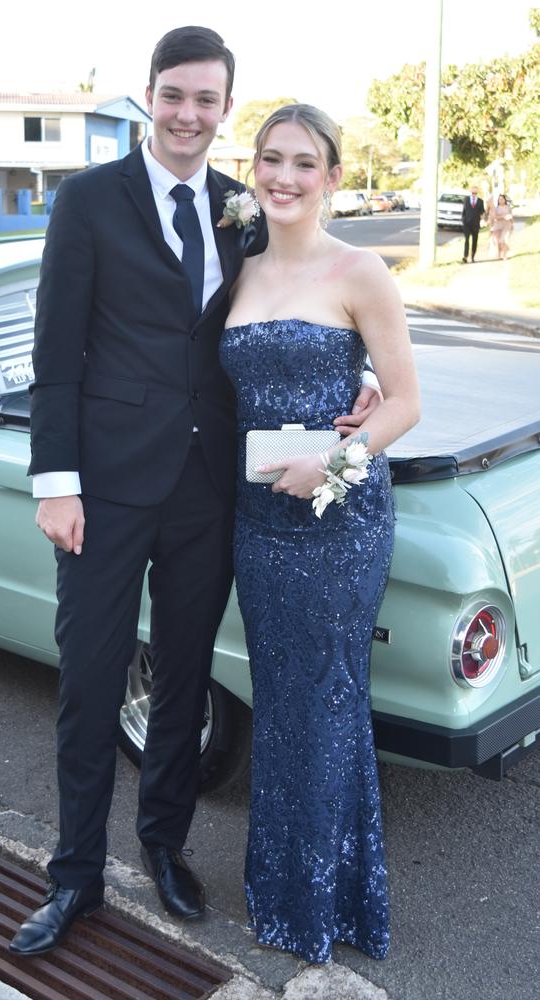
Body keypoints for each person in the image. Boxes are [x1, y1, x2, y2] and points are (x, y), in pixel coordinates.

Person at [9, 29, 381, 957]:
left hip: (209, 490)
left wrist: (359, 384)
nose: (188, 115)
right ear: (149, 96)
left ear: (224, 109)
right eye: (174, 96)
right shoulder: (88, 201)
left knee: (182, 680)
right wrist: (55, 482)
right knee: (93, 682)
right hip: (101, 488)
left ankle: (164, 847)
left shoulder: (240, 210)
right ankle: (75, 877)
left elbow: (294, 309)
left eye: (207, 101)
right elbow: (54, 356)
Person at [219, 104, 420, 963]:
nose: (285, 178)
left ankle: (334, 902)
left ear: (334, 177)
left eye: (306, 164)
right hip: (258, 525)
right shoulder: (237, 266)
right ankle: (286, 886)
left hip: (339, 526)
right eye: (271, 160)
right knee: (282, 703)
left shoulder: (360, 268)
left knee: (329, 703)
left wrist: (333, 467)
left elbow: (406, 403)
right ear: (253, 168)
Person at [461, 185, 485, 262]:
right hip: (467, 223)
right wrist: (463, 220)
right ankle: (465, 256)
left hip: (475, 224)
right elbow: (464, 211)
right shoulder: (466, 199)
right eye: (472, 192)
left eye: (475, 192)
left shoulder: (480, 201)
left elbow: (482, 212)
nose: (474, 194)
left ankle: (473, 256)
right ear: (470, 192)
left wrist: (483, 220)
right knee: (467, 240)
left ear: (477, 192)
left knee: (475, 240)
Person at [488, 193, 514, 260]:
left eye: (502, 199)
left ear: (505, 200)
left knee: (504, 240)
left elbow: (511, 216)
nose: (500, 200)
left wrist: (512, 224)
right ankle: (499, 255)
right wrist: (503, 216)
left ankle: (505, 255)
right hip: (498, 226)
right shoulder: (496, 208)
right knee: (499, 241)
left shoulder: (508, 208)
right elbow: (494, 217)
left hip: (507, 225)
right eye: (499, 199)